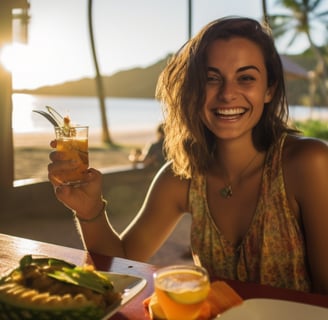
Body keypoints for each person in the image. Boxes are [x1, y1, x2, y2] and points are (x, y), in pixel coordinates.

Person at [48, 16, 328, 294]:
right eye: (211, 78)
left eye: (245, 78)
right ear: (194, 90)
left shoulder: (307, 164)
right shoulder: (181, 177)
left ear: (269, 89)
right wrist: (89, 209)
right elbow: (120, 267)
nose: (228, 93)